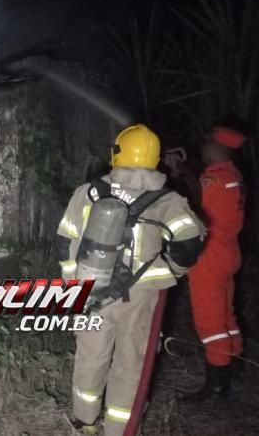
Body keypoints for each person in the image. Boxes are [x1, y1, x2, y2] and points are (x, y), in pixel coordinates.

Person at [56, 124, 204, 435]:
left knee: (90, 358)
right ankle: (118, 429)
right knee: (130, 363)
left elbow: (64, 241)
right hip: (141, 297)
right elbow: (190, 245)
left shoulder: (88, 192)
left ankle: (84, 423)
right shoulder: (168, 200)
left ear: (117, 155)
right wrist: (166, 274)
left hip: (90, 292)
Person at [165, 126, 247, 402]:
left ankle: (217, 387)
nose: (203, 148)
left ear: (217, 147)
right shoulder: (231, 175)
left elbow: (194, 201)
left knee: (210, 324)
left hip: (210, 256)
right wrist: (186, 167)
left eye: (206, 143)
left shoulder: (216, 180)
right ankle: (233, 367)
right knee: (226, 317)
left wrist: (178, 173)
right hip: (228, 252)